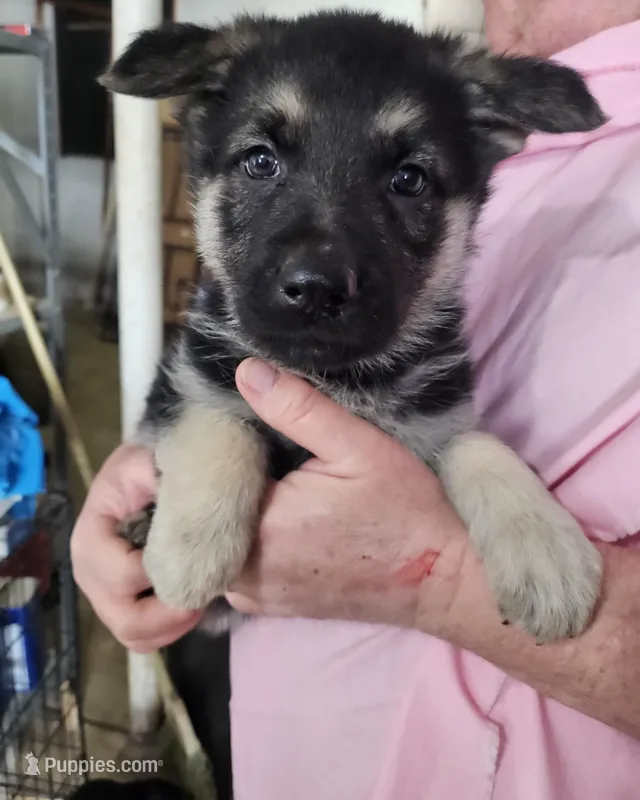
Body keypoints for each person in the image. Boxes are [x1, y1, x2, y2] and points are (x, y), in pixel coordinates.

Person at [72, 14, 640, 800]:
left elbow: (447, 442)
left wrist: (468, 520)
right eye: (261, 162)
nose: (318, 266)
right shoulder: (217, 341)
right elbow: (182, 412)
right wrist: (176, 469)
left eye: (407, 180)